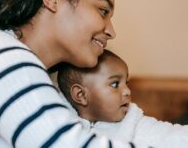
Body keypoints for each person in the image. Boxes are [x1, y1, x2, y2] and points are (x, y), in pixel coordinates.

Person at [0, 0, 151, 147]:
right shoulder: (1, 52)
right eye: (103, 11)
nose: (111, 32)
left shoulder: (49, 85)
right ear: (52, 0)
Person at [57, 49, 188, 148]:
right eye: (115, 84)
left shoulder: (136, 124)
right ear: (81, 95)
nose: (127, 91)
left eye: (127, 83)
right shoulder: (59, 124)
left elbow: (175, 136)